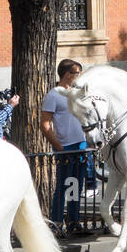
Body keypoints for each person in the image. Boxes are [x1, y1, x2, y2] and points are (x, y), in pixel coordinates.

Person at [42, 59, 92, 236]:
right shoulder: (54, 95)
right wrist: (58, 146)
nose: (78, 76)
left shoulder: (77, 93)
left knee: (75, 185)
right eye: (76, 73)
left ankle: (73, 221)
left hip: (80, 145)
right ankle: (56, 223)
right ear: (67, 74)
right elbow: (45, 124)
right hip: (65, 146)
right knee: (63, 186)